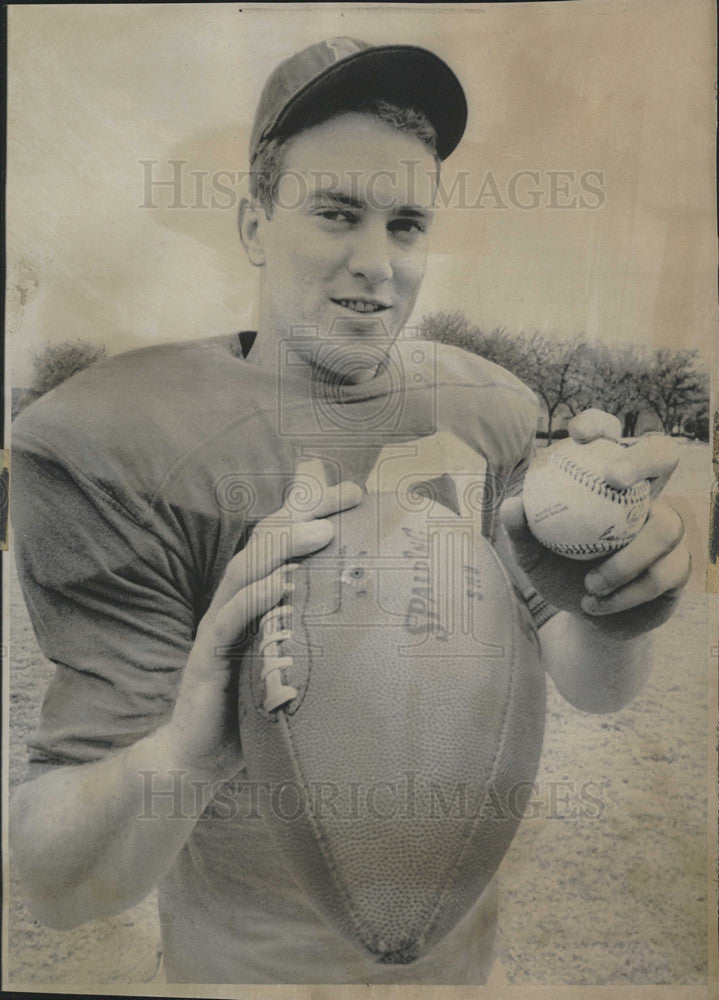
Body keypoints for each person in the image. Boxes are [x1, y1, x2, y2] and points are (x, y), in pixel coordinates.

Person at [9, 37, 691, 985]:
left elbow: (586, 683)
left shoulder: (486, 407)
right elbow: (57, 883)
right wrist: (195, 750)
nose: (376, 262)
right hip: (247, 975)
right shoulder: (123, 445)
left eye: (406, 224)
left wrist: (613, 610)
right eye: (335, 213)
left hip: (456, 963)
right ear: (253, 225)